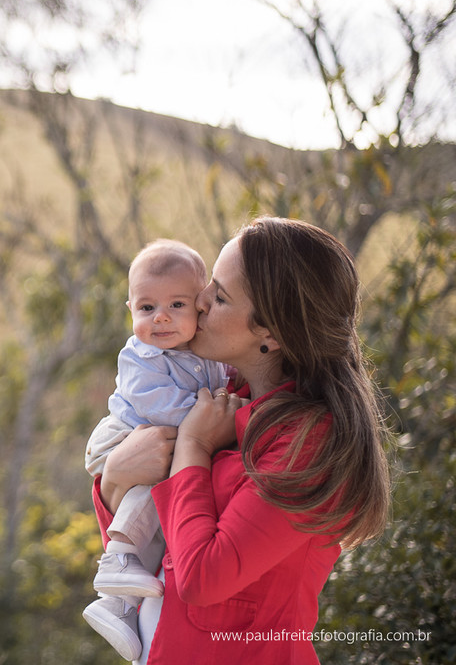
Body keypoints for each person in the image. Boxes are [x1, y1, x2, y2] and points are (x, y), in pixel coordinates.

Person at [91, 217, 392, 664]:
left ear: (271, 332)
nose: (200, 300)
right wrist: (115, 480)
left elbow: (201, 578)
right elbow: (153, 552)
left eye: (220, 296)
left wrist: (192, 446)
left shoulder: (309, 444)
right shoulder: (221, 397)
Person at [82, 240, 228, 659]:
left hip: (157, 437)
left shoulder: (207, 354)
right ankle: (117, 559)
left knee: (165, 513)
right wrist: (214, 419)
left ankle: (119, 605)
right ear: (130, 309)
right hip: (124, 435)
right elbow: (158, 406)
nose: (160, 317)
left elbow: (224, 383)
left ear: (201, 307)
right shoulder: (141, 355)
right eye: (147, 308)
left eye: (176, 305)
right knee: (158, 481)